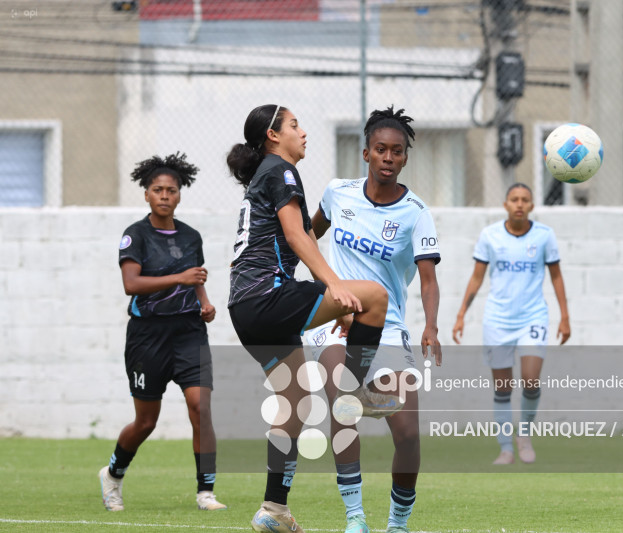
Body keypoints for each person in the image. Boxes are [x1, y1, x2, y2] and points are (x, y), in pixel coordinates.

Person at [226, 104, 402, 533]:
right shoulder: (280, 170)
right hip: (267, 296)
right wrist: (335, 287)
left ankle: (274, 510)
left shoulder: (265, 173)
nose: (303, 133)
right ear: (273, 135)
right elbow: (296, 235)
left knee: (294, 405)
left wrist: (329, 301)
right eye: (293, 125)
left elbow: (294, 237)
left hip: (244, 309)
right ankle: (357, 392)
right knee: (374, 298)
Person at [305, 106, 442, 533]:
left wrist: (431, 326)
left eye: (396, 152)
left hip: (390, 327)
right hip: (334, 321)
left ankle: (397, 524)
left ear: (404, 158)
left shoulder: (416, 212)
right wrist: (324, 289)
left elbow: (428, 279)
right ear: (365, 153)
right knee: (343, 402)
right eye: (380, 149)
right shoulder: (337, 193)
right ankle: (355, 518)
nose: (388, 157)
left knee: (408, 435)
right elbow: (307, 235)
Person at [99, 153, 226, 512]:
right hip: (147, 336)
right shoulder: (135, 235)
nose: (165, 195)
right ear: (146, 194)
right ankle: (112, 475)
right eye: (158, 190)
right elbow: (131, 283)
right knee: (145, 421)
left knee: (200, 407)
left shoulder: (191, 236)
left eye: (171, 190)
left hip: (189, 331)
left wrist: (204, 301)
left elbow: (196, 277)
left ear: (180, 194)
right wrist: (181, 279)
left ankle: (206, 492)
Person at [452, 183, 570, 465]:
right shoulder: (490, 236)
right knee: (502, 388)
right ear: (506, 204)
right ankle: (505, 448)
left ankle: (524, 435)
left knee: (530, 380)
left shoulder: (544, 236)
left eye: (525, 200)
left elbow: (556, 276)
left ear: (531, 206)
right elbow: (477, 277)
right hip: (498, 319)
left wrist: (565, 316)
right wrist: (460, 315)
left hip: (533, 317)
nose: (519, 204)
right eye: (514, 199)